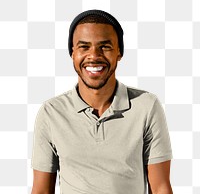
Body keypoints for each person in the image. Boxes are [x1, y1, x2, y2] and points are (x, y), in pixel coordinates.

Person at [31, 10, 173, 194]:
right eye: (84, 47)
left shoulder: (147, 106)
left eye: (105, 46)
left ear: (119, 52)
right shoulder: (51, 112)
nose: (94, 55)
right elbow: (41, 191)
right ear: (72, 53)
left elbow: (161, 187)